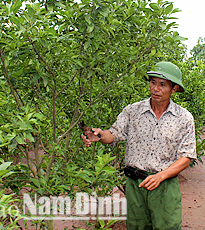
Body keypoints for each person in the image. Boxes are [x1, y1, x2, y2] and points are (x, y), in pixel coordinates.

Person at [82, 61, 196, 230]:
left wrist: (160, 176)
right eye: (152, 82)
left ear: (174, 89)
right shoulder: (133, 111)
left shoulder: (184, 118)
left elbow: (186, 157)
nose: (155, 89)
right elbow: (113, 134)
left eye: (162, 84)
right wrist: (98, 136)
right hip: (135, 186)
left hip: (165, 187)